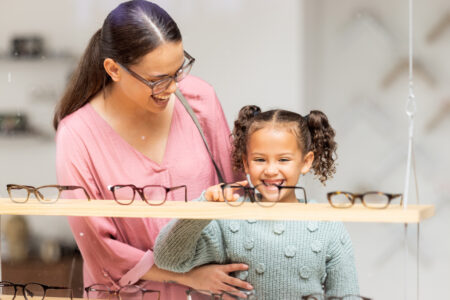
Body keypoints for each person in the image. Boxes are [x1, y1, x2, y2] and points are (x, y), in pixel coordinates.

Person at [54, 1, 251, 299]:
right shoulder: (77, 134)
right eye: (157, 80)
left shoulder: (199, 99)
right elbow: (99, 248)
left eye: (178, 70)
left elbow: (235, 190)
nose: (172, 87)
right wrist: (188, 276)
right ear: (113, 69)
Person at [154, 105, 360, 299]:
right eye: (260, 159)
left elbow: (346, 294)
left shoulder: (327, 224)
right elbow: (168, 259)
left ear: (306, 162)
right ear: (246, 162)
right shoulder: (230, 219)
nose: (270, 170)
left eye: (283, 160)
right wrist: (203, 207)